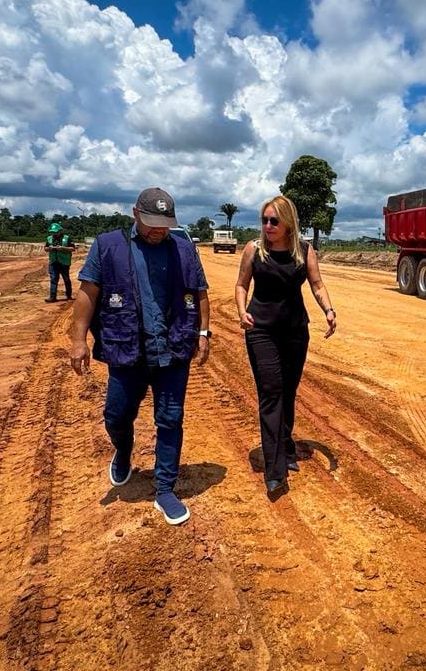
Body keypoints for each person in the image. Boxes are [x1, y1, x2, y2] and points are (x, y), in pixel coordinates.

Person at [68, 187, 211, 525]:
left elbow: (200, 292)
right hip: (126, 349)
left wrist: (203, 333)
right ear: (135, 214)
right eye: (150, 222)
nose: (157, 229)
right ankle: (124, 450)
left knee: (170, 419)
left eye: (164, 223)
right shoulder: (108, 247)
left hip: (172, 350)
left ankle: (164, 488)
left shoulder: (184, 249)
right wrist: (78, 340)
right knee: (116, 416)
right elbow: (88, 294)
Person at [234, 195, 336, 495]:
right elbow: (241, 285)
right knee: (271, 393)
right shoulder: (254, 249)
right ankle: (274, 468)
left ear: (288, 222)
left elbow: (317, 284)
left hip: (294, 331)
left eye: (274, 221)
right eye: (264, 220)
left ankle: (287, 447)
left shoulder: (304, 251)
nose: (267, 225)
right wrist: (241, 311)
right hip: (261, 330)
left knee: (288, 392)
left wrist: (329, 311)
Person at [45, 222, 75, 302]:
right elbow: (45, 248)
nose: (54, 234)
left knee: (66, 279)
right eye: (52, 232)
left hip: (64, 262)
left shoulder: (67, 238)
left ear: (60, 231)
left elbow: (72, 248)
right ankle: (52, 297)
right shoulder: (49, 238)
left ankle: (69, 296)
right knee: (53, 279)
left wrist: (63, 248)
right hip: (53, 261)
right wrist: (50, 248)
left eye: (55, 232)